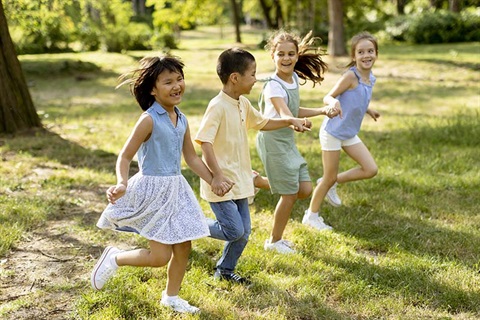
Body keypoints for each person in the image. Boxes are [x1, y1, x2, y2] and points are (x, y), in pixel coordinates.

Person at [90, 55, 232, 314]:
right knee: (159, 257)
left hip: (176, 190)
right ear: (153, 89)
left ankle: (171, 296)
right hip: (153, 191)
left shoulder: (182, 118)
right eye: (168, 82)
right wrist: (122, 182)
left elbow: (190, 157)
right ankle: (115, 258)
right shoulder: (148, 119)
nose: (177, 85)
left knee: (184, 246)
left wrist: (214, 180)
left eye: (179, 79)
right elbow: (124, 155)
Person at [195, 47, 311, 284]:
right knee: (233, 230)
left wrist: (290, 120)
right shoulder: (217, 106)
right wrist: (216, 176)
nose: (255, 79)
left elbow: (263, 122)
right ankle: (189, 224)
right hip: (220, 184)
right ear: (235, 78)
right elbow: (204, 143)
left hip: (240, 180)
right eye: (252, 74)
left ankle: (225, 271)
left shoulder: (243, 103)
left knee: (244, 232)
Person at [256, 30, 340, 254]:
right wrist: (294, 122)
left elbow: (292, 110)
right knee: (290, 194)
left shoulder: (293, 79)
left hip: (286, 140)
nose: (286, 58)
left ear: (297, 55)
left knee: (304, 189)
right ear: (272, 55)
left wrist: (321, 111)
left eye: (291, 54)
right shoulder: (273, 85)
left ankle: (256, 182)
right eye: (281, 54)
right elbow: (285, 113)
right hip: (272, 140)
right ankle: (274, 241)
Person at [304, 31, 380, 229]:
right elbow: (328, 97)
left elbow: (358, 99)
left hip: (348, 133)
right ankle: (311, 216)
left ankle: (331, 182)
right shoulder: (350, 76)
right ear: (354, 56)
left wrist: (369, 110)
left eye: (370, 51)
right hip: (333, 132)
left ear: (376, 54)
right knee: (329, 176)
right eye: (361, 52)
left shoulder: (370, 78)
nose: (366, 55)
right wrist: (334, 102)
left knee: (370, 169)